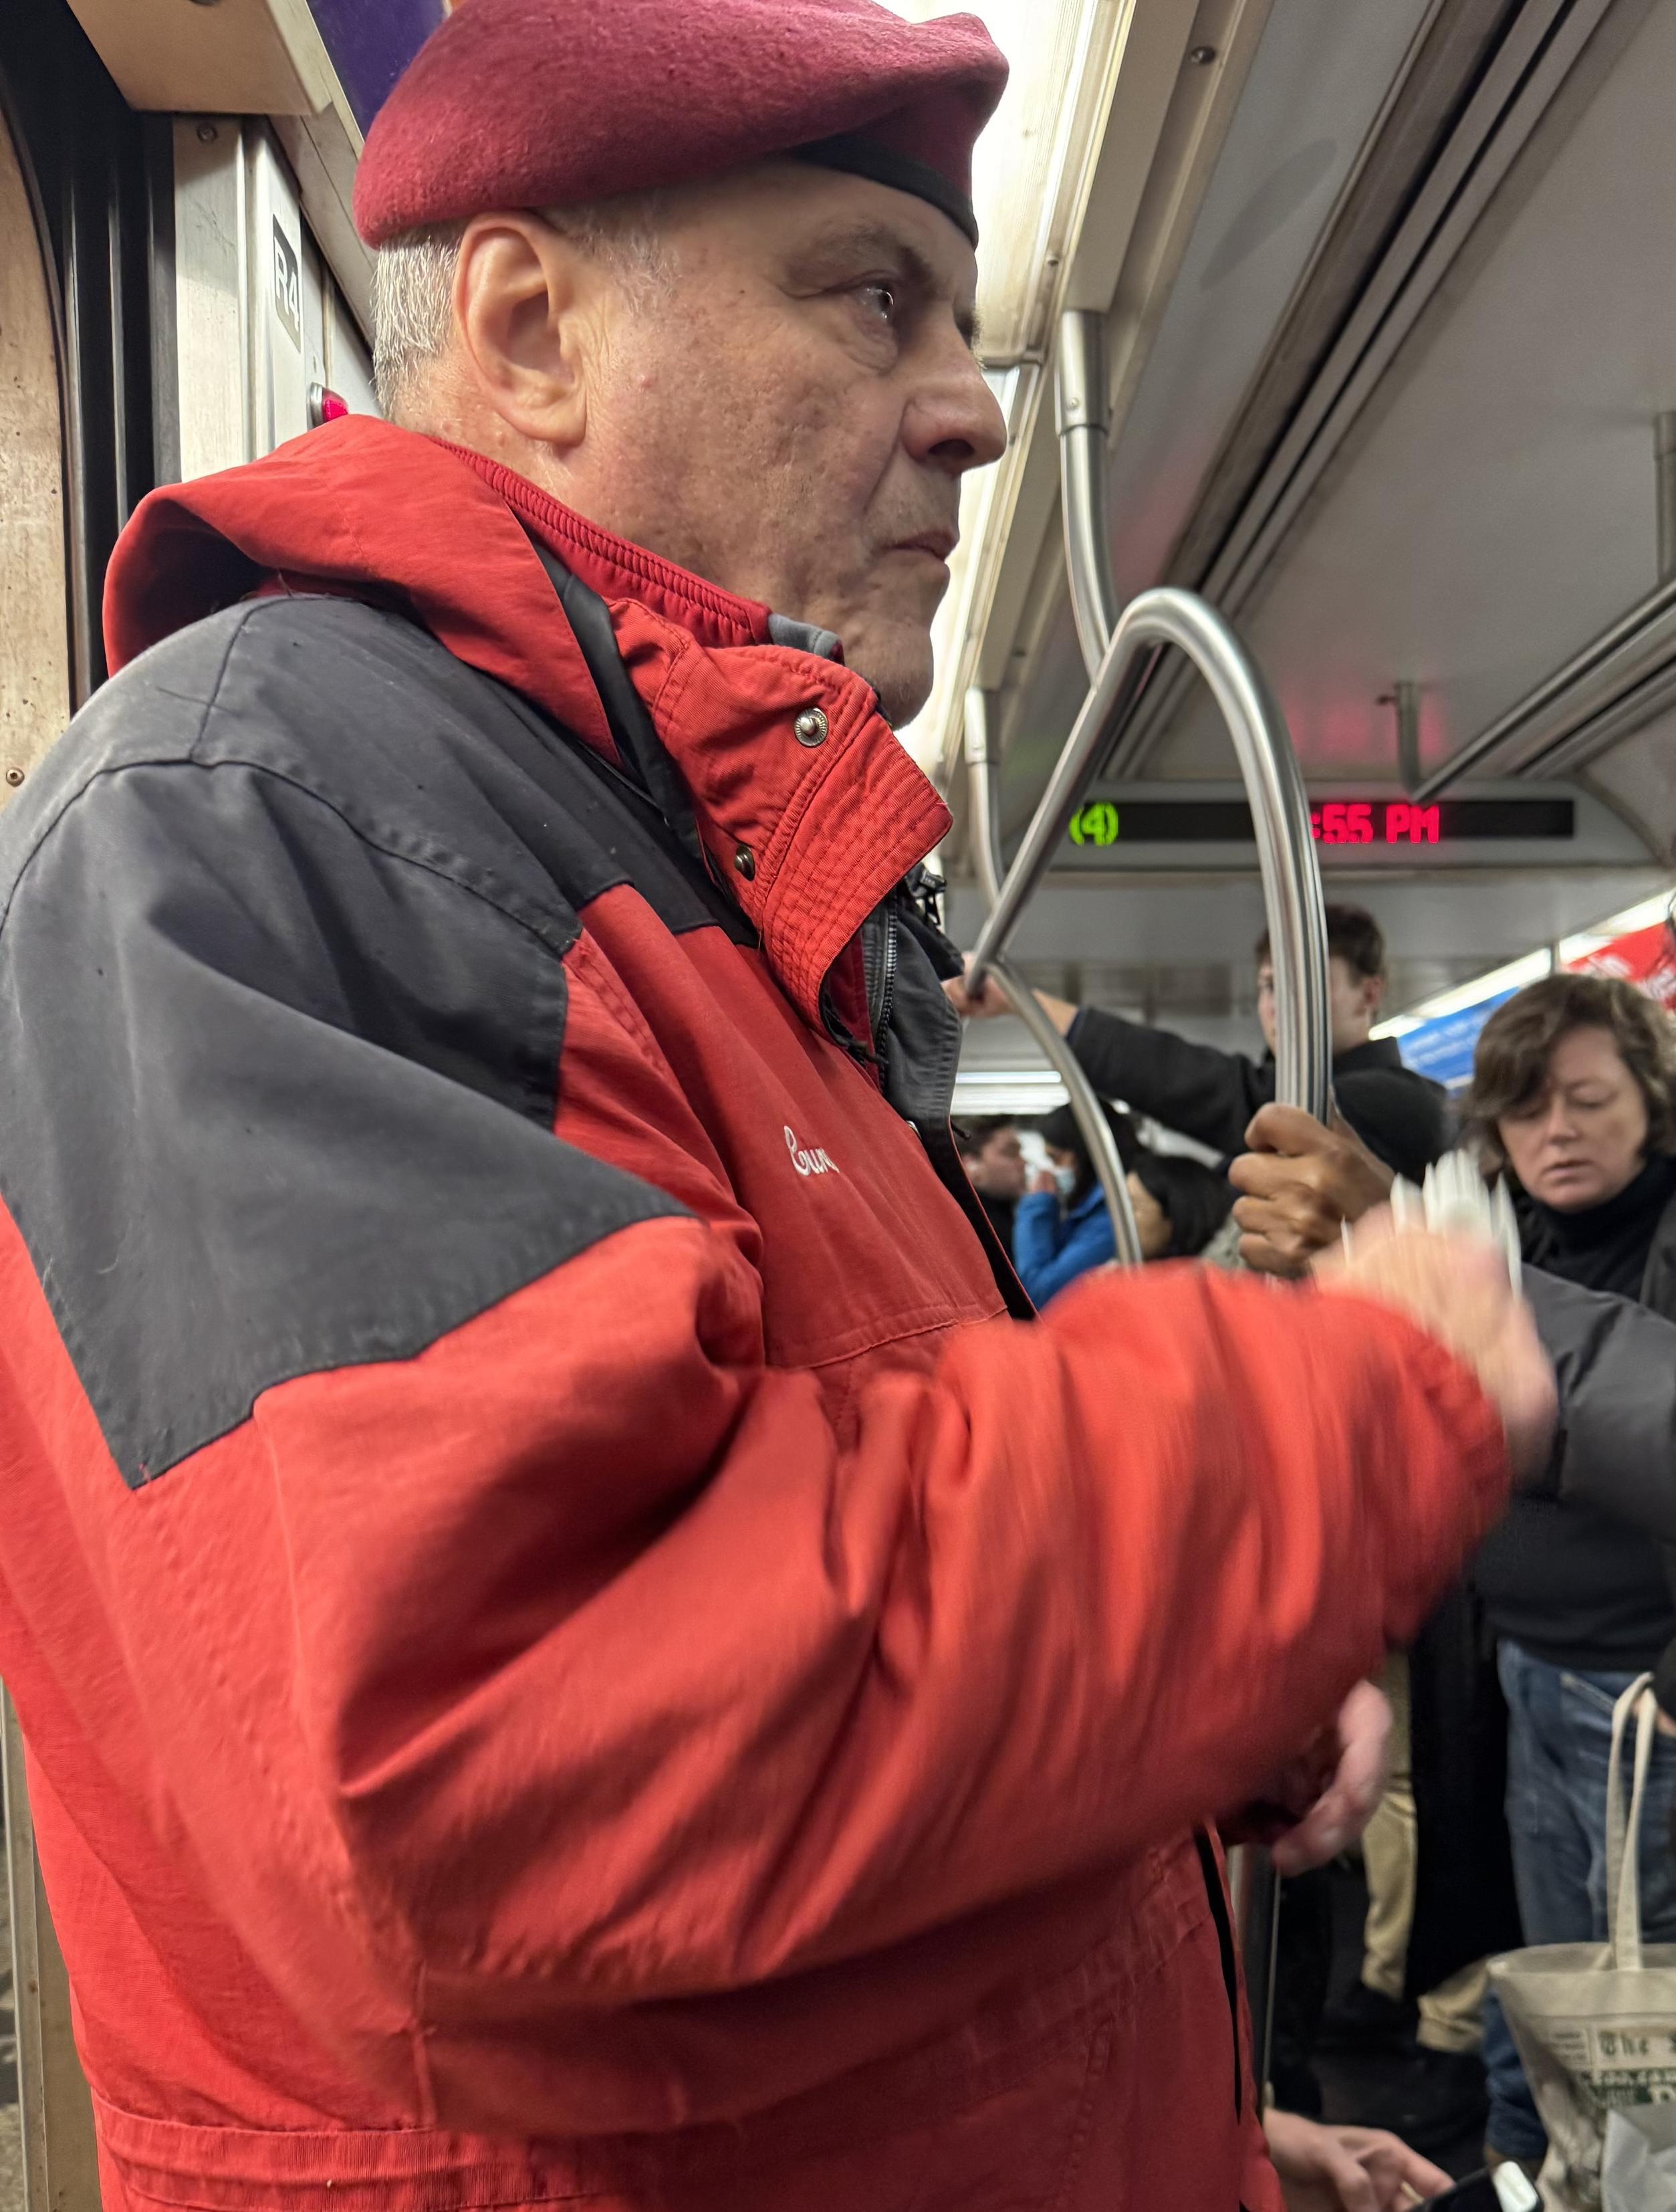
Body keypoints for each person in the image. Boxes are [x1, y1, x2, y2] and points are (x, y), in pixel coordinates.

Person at [0, 4, 1557, 2208]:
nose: (970, 412)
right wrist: (1327, 1421)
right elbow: (534, 1741)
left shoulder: (706, 887)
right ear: (533, 328)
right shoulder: (281, 809)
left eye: (964, 323)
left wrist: (1191, 2057)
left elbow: (849, 1621)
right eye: (866, 294)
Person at [1227, 975, 1676, 2177]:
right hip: (1523, 1666)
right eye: (1527, 1111)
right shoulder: (1516, 1229)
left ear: (1653, 1105)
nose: (1557, 1133)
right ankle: (1534, 2169)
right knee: (1542, 1963)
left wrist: (1409, 1255)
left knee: (1648, 2004)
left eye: (1587, 1100)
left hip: (1645, 1697)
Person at [947, 901, 1449, 1182]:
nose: (1278, 1004)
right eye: (1269, 986)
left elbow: (1214, 1090)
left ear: (1370, 993)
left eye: (1305, 984)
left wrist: (1025, 1003)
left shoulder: (1400, 1103)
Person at [1013, 1101, 1231, 1303]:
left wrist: (1037, 1207)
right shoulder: (1094, 1208)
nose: (1123, 1223)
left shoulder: (1109, 1215)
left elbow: (1043, 1293)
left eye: (1056, 1158)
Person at [954, 1115, 1026, 1251]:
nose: (1022, 1163)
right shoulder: (974, 1232)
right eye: (1010, 1153)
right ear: (972, 1166)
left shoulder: (1009, 1215)